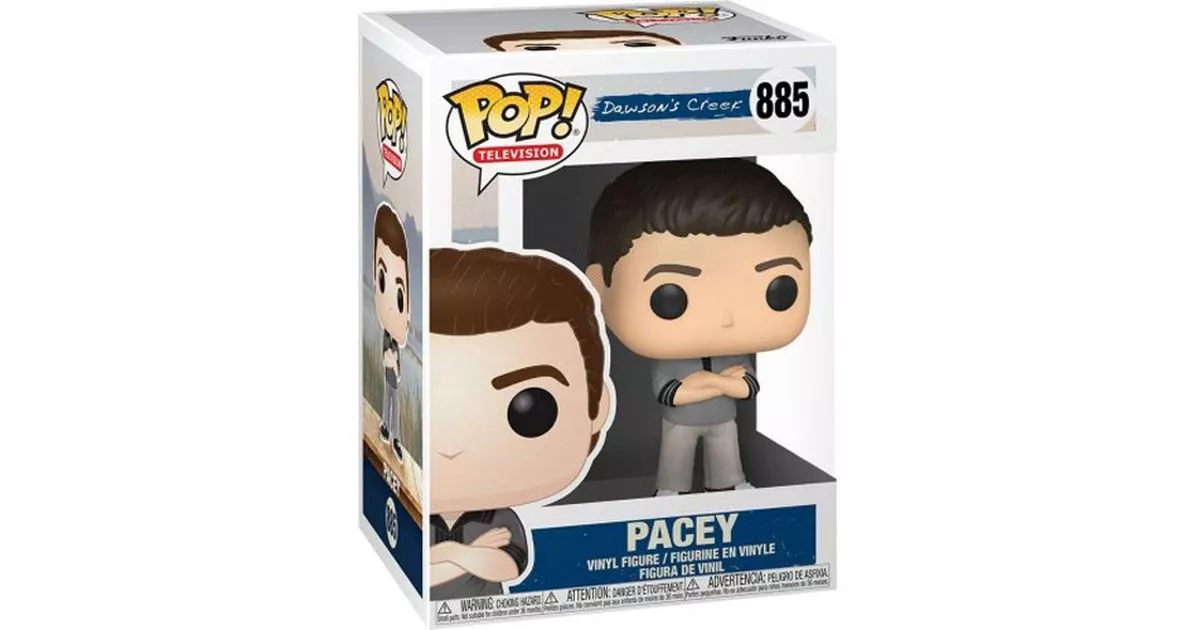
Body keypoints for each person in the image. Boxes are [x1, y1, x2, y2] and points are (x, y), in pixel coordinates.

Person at [584, 158, 813, 496]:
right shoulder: (672, 361)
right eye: (669, 298)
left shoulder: (732, 354)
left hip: (723, 419)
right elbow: (673, 395)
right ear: (599, 289)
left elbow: (747, 388)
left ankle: (730, 484)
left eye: (778, 290)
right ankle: (670, 491)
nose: (726, 319)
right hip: (681, 422)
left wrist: (707, 382)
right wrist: (722, 383)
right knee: (675, 456)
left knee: (726, 453)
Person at [429, 246, 613, 600]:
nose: (452, 447)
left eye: (529, 411)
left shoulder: (498, 518)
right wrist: (468, 554)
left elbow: (508, 566)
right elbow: (421, 572)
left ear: (597, 409)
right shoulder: (414, 514)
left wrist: (448, 554)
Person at [373, 203, 410, 463]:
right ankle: (386, 427)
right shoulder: (387, 335)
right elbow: (384, 349)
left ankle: (394, 435)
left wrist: (394, 366)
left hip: (393, 375)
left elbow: (396, 359)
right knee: (388, 398)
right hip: (388, 374)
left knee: (394, 401)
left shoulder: (395, 340)